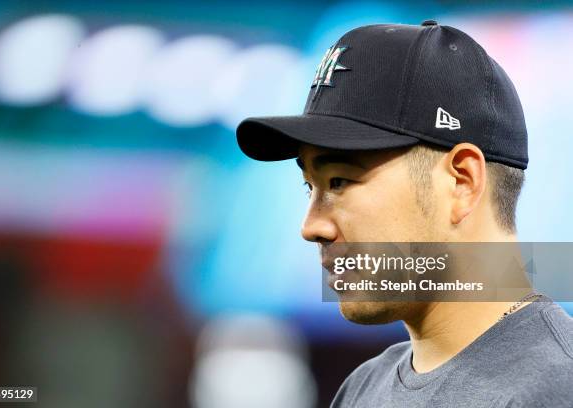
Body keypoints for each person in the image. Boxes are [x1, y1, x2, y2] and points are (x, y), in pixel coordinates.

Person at [235, 21, 573, 407]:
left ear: (461, 181)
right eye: (309, 187)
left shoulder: (557, 388)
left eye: (340, 182)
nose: (311, 227)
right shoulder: (362, 388)